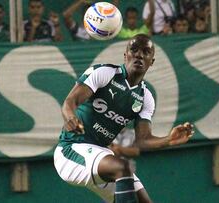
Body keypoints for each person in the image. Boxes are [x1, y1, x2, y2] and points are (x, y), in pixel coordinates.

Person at [54, 34, 194, 203]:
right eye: (134, 50)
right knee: (122, 168)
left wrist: (168, 139)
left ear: (152, 61)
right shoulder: (105, 73)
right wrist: (70, 117)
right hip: (71, 150)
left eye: (146, 52)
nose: (139, 55)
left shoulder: (145, 97)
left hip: (101, 154)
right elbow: (71, 101)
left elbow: (142, 140)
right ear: (125, 55)